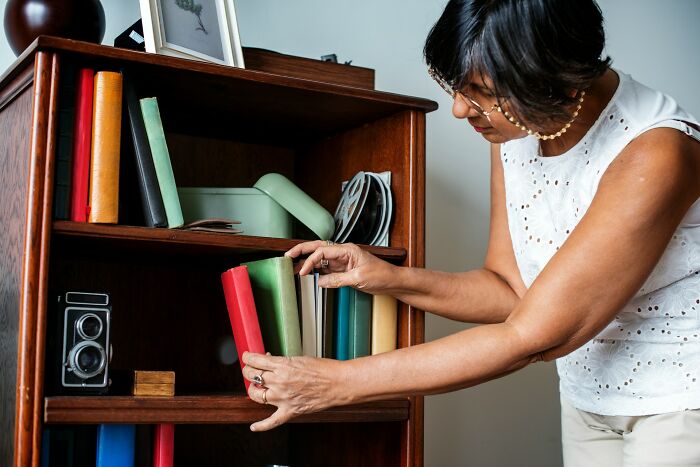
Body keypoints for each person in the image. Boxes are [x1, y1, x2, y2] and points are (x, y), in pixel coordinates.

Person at [242, 0, 700, 464]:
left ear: (550, 77)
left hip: (681, 402)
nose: (460, 109)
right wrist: (389, 277)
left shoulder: (657, 153)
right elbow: (510, 290)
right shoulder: (518, 129)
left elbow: (530, 335)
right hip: (588, 398)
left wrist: (334, 383)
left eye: (479, 90)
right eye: (457, 87)